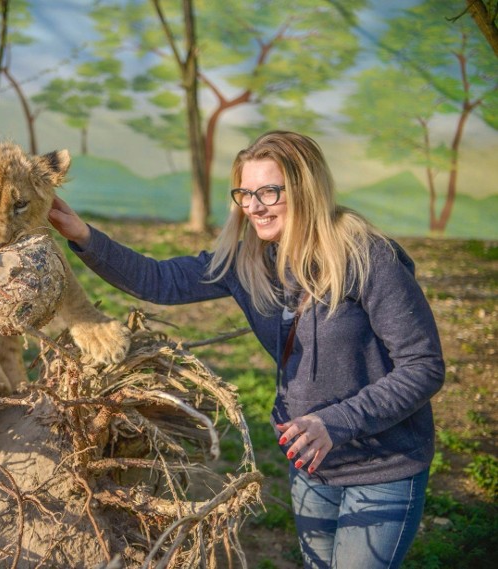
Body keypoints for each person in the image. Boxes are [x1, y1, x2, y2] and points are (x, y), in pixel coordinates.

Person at [48, 130, 444, 569]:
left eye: (269, 191)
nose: (253, 206)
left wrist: (337, 422)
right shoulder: (250, 262)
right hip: (312, 462)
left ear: (305, 189)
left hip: (383, 464)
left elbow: (423, 366)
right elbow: (157, 280)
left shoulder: (368, 258)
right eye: (244, 193)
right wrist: (82, 234)